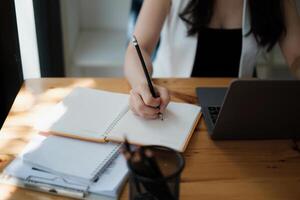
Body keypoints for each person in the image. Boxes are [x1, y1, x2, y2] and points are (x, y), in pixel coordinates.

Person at [124, 0, 300, 119]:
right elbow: (139, 49)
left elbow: (296, 57)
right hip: (172, 106)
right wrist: (142, 85)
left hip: (238, 111)